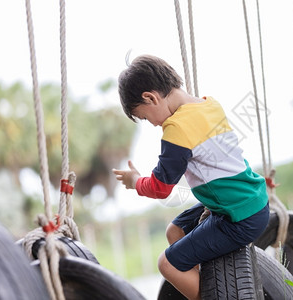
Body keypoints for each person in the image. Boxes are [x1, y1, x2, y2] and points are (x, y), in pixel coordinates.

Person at [112, 54, 269, 300]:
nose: (152, 124)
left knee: (167, 264)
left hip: (239, 216)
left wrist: (135, 182)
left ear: (150, 97)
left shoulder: (176, 128)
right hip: (249, 199)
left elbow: (161, 187)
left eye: (144, 117)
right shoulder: (209, 104)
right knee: (174, 231)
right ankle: (210, 286)